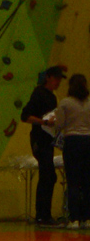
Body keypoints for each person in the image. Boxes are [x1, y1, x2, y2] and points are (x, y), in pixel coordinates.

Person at [21, 65, 65, 226]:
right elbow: (25, 116)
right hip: (39, 138)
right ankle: (41, 214)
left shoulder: (52, 97)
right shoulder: (39, 93)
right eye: (56, 79)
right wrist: (43, 122)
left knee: (49, 176)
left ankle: (45, 214)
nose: (58, 82)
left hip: (48, 139)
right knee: (47, 175)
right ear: (48, 78)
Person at [54, 73, 90, 229]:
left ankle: (74, 219)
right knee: (87, 181)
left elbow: (59, 124)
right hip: (88, 141)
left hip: (72, 141)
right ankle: (87, 219)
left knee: (73, 181)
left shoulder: (65, 103)